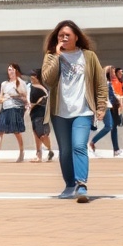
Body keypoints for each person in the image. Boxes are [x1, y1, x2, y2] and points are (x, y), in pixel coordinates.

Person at [40, 20, 107, 201]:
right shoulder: (51, 56)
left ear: (77, 37)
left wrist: (101, 107)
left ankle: (81, 185)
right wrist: (56, 55)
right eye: (61, 35)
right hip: (59, 112)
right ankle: (69, 185)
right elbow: (48, 79)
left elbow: (100, 83)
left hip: (83, 110)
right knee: (65, 150)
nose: (64, 38)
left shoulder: (89, 56)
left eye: (68, 35)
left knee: (79, 146)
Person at [0, 63, 27, 163]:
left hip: (16, 108)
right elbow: (0, 99)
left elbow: (24, 97)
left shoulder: (21, 82)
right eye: (9, 70)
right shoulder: (4, 84)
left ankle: (22, 151)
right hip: (5, 108)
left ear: (16, 71)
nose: (10, 72)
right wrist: (2, 99)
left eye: (12, 69)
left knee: (16, 131)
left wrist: (15, 93)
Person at [89, 66, 123, 157]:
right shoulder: (103, 82)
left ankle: (115, 149)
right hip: (106, 106)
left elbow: (115, 94)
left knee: (110, 126)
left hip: (110, 106)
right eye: (112, 72)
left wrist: (119, 101)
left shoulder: (112, 82)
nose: (114, 74)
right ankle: (92, 143)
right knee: (109, 126)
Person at [27, 69, 54, 163]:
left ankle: (50, 150)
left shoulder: (42, 88)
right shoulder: (29, 86)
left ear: (37, 76)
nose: (31, 76)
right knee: (36, 135)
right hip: (33, 113)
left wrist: (37, 102)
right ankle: (39, 155)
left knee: (42, 135)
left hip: (41, 113)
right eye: (31, 74)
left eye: (33, 75)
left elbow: (47, 97)